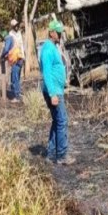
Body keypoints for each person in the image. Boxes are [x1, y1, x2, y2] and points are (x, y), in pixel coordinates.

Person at [39, 20, 74, 165]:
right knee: (62, 121)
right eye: (58, 32)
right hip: (53, 91)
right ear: (51, 32)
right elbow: (46, 73)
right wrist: (53, 93)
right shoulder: (47, 49)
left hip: (56, 89)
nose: (60, 35)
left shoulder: (52, 47)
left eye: (60, 32)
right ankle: (62, 155)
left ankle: (51, 153)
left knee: (57, 121)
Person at [7, 19, 25, 101]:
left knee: (17, 76)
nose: (16, 27)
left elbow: (21, 46)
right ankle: (16, 94)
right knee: (14, 77)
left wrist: (23, 56)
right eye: (15, 26)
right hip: (14, 58)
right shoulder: (10, 34)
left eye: (17, 25)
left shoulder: (19, 33)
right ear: (12, 26)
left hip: (20, 57)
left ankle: (17, 94)